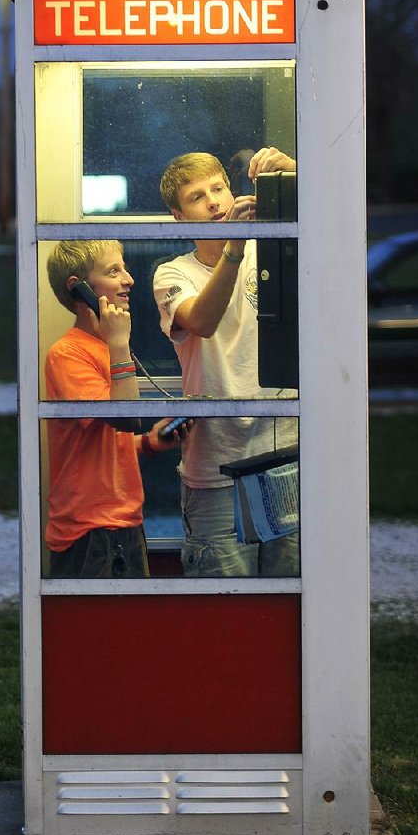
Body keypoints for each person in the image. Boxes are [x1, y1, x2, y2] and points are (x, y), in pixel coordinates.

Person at [153, 147, 298, 578]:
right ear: (179, 217)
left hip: (284, 453)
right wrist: (234, 249)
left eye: (218, 188)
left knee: (292, 596)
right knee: (224, 599)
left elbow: (334, 223)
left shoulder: (269, 249)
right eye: (197, 196)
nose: (214, 201)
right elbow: (202, 321)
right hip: (216, 466)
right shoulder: (172, 273)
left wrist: (293, 172)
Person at [44, 239, 188, 579]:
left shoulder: (103, 347)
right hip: (91, 529)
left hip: (124, 521)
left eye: (124, 268)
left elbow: (101, 441)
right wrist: (120, 344)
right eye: (113, 271)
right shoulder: (68, 354)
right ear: (78, 289)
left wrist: (150, 443)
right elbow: (124, 416)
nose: (129, 280)